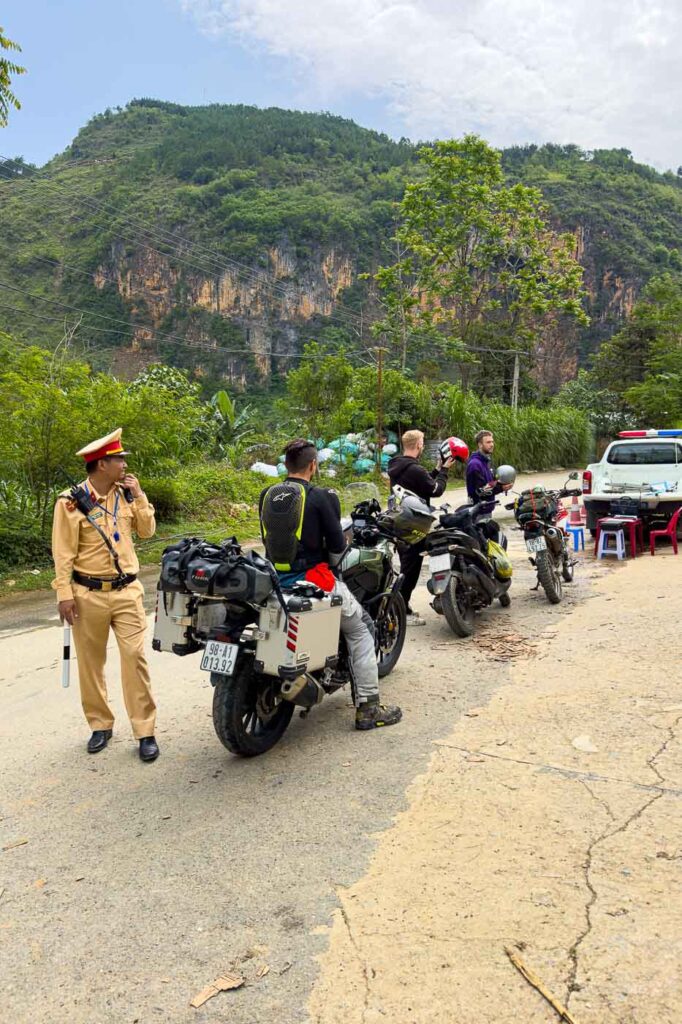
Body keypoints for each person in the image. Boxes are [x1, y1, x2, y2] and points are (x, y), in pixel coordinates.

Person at [259, 439, 402, 731]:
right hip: (311, 579)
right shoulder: (320, 496)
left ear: (286, 466)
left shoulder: (266, 494)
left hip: (272, 579)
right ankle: (369, 708)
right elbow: (338, 547)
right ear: (313, 465)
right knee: (362, 628)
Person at [51, 428, 159, 761]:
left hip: (127, 590)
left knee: (134, 659)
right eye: (119, 460)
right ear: (101, 464)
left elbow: (147, 531)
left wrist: (140, 497)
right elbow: (63, 552)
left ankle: (145, 731)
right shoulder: (70, 503)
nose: (125, 465)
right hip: (89, 594)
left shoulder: (125, 494)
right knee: (91, 664)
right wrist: (64, 594)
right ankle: (100, 725)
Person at [387, 429, 452, 626]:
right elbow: (435, 489)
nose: (423, 445)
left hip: (399, 522)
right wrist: (445, 470)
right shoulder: (414, 469)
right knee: (410, 571)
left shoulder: (397, 465)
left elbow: (421, 484)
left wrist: (436, 470)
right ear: (417, 445)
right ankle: (399, 611)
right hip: (414, 524)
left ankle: (400, 607)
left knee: (408, 567)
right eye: (422, 442)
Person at [465, 429, 511, 543]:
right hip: (478, 512)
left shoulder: (485, 461)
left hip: (486, 510)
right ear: (480, 444)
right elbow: (479, 491)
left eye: (492, 442)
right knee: (483, 545)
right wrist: (501, 488)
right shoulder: (475, 464)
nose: (491, 445)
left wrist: (500, 482)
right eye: (488, 442)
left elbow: (489, 483)